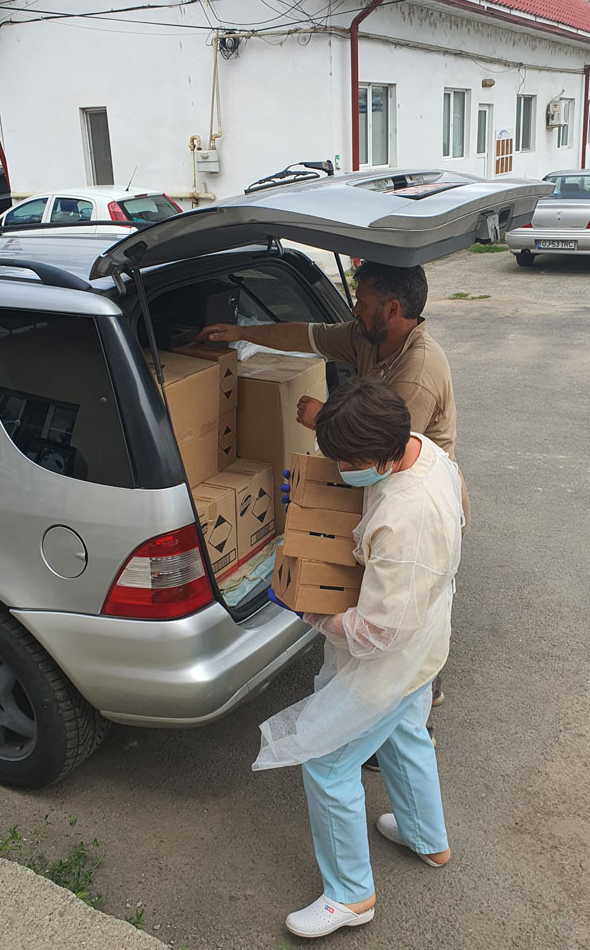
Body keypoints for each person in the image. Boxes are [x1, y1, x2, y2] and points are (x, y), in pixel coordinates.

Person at [197, 260, 469, 723]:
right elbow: (306, 336)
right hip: (382, 484)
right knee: (382, 613)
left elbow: (379, 452)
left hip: (418, 504)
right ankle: (399, 706)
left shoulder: (417, 372)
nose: (354, 311)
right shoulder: (369, 334)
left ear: (392, 309)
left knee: (403, 622)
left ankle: (415, 697)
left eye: (362, 303)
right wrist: (238, 333)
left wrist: (323, 422)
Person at [253, 379, 464, 938]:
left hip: (393, 657)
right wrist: (317, 500)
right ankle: (427, 839)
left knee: (327, 762)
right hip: (425, 639)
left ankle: (351, 895)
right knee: (406, 733)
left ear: (384, 455)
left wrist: (310, 611)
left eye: (349, 463)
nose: (342, 470)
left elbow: (375, 633)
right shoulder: (421, 448)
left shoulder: (407, 520)